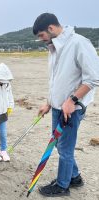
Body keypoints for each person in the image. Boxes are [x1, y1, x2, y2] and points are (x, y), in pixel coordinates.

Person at [33, 13, 99, 197]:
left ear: (51, 28)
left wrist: (72, 100)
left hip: (72, 109)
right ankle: (75, 177)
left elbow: (93, 78)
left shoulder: (79, 43)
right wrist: (49, 102)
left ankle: (62, 186)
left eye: (41, 35)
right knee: (58, 145)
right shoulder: (53, 48)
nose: (41, 40)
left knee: (65, 150)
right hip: (56, 107)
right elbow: (57, 81)